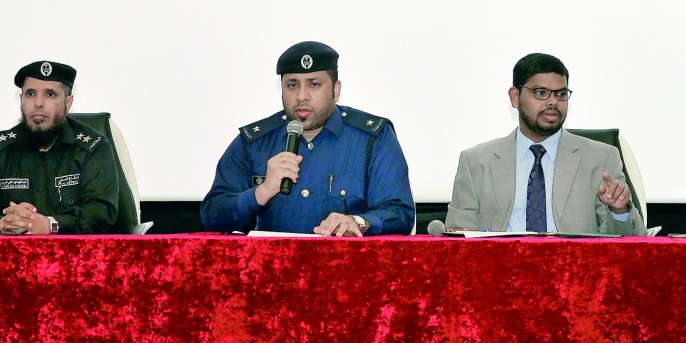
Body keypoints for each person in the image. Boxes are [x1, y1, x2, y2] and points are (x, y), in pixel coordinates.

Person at [200, 41, 415, 236]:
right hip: (271, 272)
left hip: (347, 272)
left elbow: (400, 213)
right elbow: (211, 216)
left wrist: (358, 221)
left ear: (335, 90)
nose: (301, 96)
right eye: (292, 85)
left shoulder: (373, 138)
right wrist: (261, 192)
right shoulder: (253, 142)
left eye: (314, 84)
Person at [445, 53, 645, 235]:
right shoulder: (476, 162)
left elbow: (629, 244)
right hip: (501, 269)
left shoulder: (601, 158)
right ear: (515, 97)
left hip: (574, 270)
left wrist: (619, 211)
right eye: (541, 93)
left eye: (561, 94)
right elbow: (457, 238)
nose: (553, 102)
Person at [0, 60, 124, 235]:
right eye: (30, 93)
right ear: (21, 100)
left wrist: (49, 225)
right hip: (10, 258)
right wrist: (2, 223)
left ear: (68, 102)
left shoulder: (93, 148)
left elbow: (101, 213)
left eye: (50, 94)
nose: (38, 103)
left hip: (76, 258)